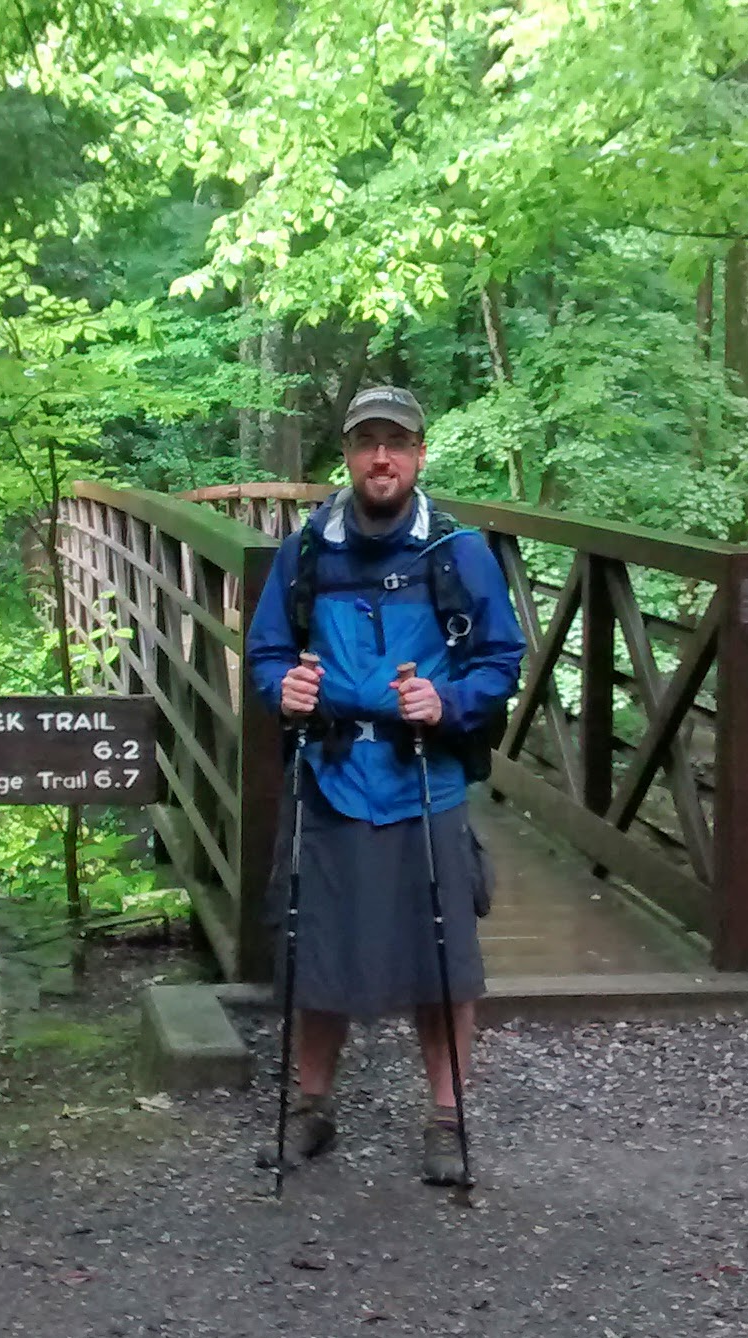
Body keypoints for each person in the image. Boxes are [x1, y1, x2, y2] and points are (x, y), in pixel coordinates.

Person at [245, 383, 525, 1185]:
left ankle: (446, 1118)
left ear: (418, 454)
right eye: (367, 442)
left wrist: (450, 701)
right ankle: (311, 1108)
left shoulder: (457, 551)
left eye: (395, 443)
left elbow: (500, 660)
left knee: (443, 958)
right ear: (347, 452)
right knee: (316, 949)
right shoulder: (307, 551)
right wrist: (282, 690)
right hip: (331, 774)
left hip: (424, 776)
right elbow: (268, 651)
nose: (381, 458)